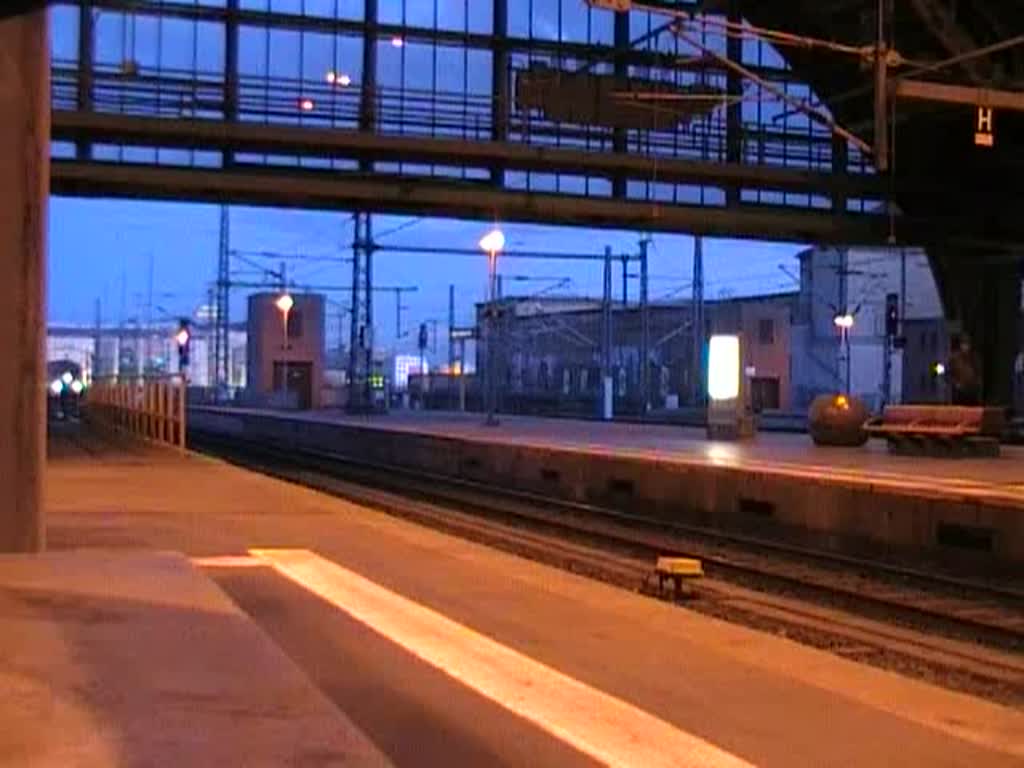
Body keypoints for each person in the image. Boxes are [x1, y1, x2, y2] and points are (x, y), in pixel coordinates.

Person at [948, 334, 981, 405]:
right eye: (964, 344)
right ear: (960, 345)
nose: (965, 347)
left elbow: (978, 374)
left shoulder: (974, 358)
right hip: (958, 393)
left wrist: (976, 385)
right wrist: (955, 383)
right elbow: (947, 372)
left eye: (967, 344)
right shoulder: (954, 358)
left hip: (972, 393)